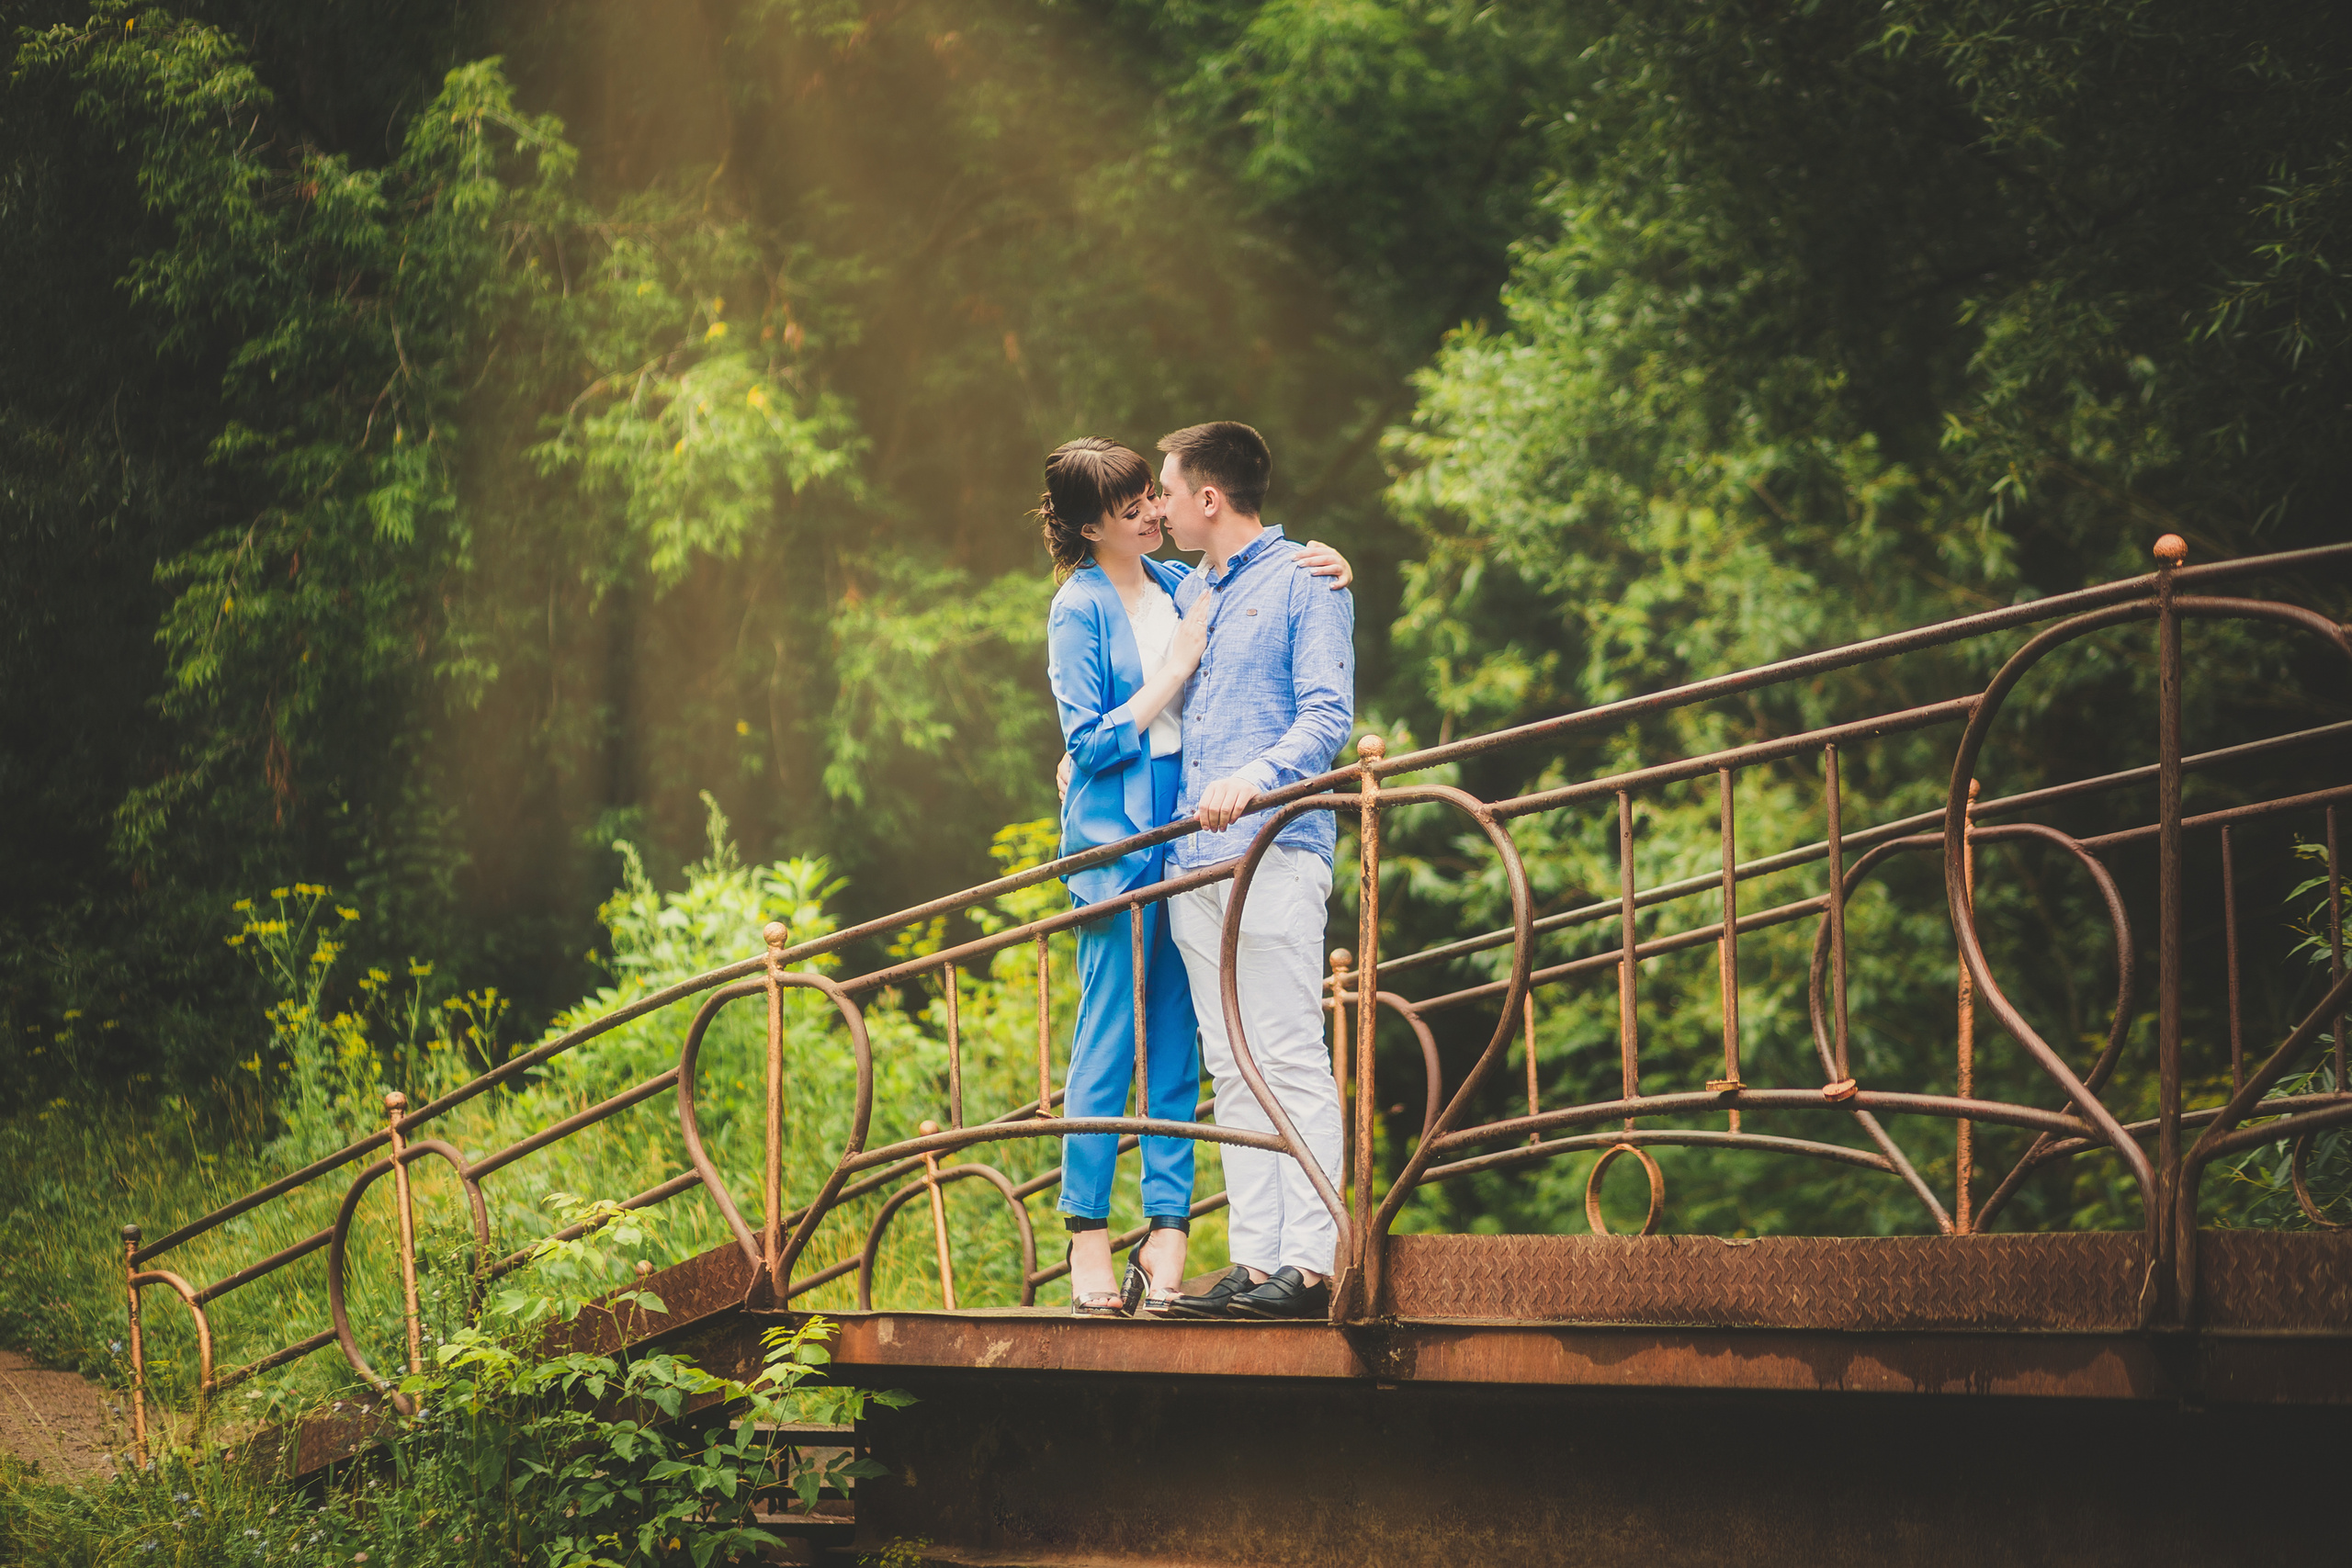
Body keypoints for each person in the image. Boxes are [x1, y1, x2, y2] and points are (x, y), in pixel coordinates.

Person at [1036, 436, 1351, 1316]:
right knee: (1132, 1043)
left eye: (1155, 493)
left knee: (1211, 1052)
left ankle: (1191, 1242)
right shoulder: (1086, 605)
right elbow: (1089, 735)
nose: (1152, 511)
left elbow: (1283, 625)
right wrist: (1160, 683)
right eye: (1133, 503)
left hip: (1215, 842)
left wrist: (1329, 563)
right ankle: (1098, 1237)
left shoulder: (1195, 583)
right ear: (1093, 522)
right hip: (1134, 850)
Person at [1153, 421, 1354, 1321]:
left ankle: (1311, 1266)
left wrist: (1256, 778)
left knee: (1285, 1053)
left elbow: (1326, 717)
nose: (1156, 506)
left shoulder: (1307, 582)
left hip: (1273, 849)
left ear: (1208, 498)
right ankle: (1256, 1259)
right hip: (1187, 861)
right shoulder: (1186, 590)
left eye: (1166, 490)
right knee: (1230, 1066)